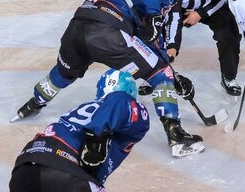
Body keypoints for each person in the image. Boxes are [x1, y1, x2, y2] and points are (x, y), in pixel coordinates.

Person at [12, 0, 205, 157]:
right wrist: (155, 18)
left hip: (78, 28)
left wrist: (175, 78)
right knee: (160, 74)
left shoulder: (140, 3)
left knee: (64, 72)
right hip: (107, 31)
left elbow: (154, 49)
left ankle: (34, 103)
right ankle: (176, 136)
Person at [9, 69, 150, 192]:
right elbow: (120, 99)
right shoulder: (128, 106)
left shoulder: (84, 107)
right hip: (67, 171)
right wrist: (96, 138)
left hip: (26, 166)